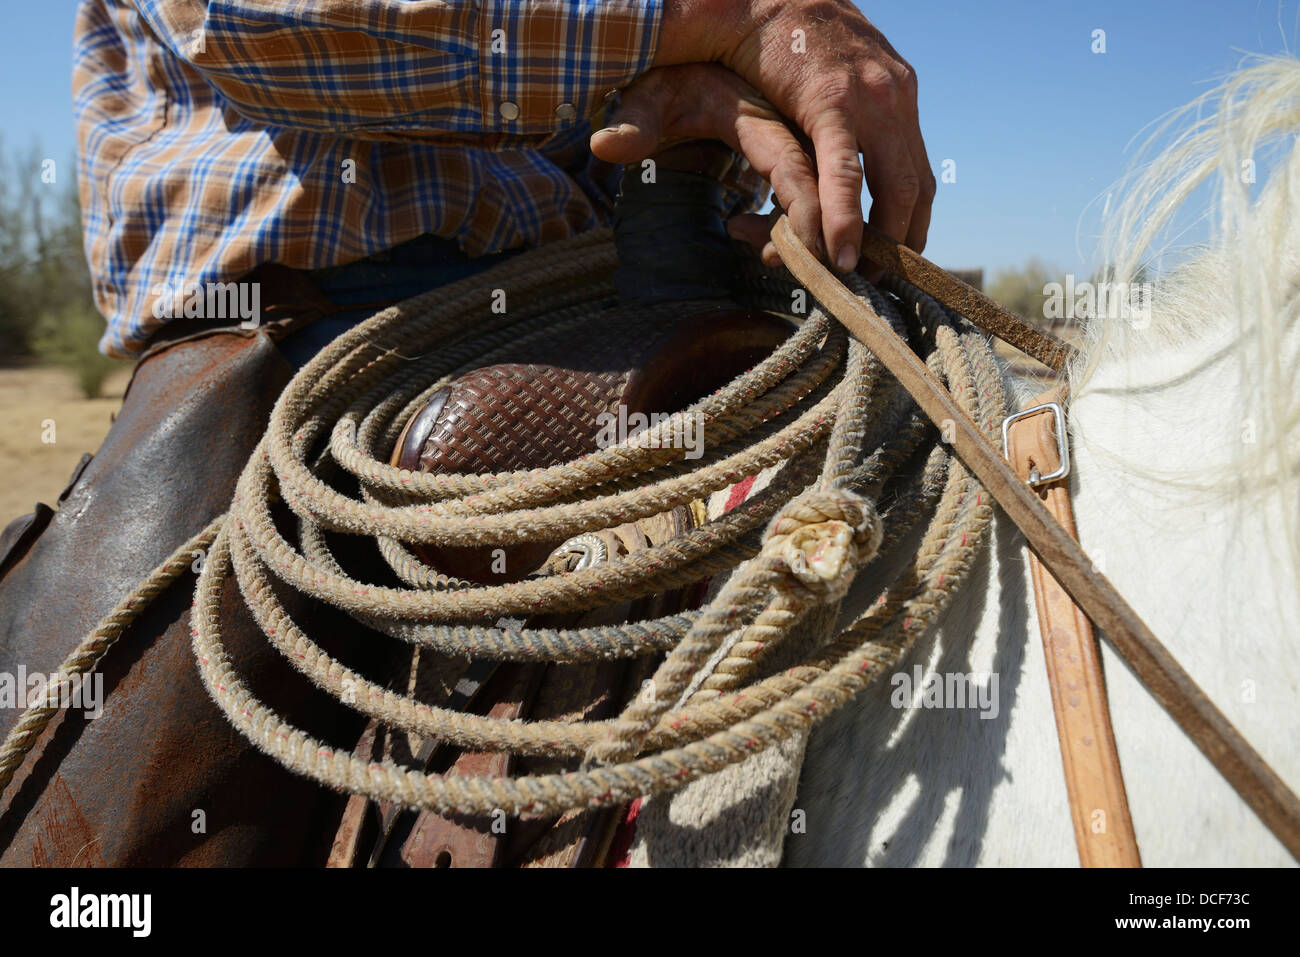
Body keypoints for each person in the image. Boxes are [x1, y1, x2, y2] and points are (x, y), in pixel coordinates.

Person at [0, 0, 934, 865]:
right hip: (297, 335)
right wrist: (738, 19)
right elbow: (253, 21)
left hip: (613, 280)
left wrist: (709, 105)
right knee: (103, 844)